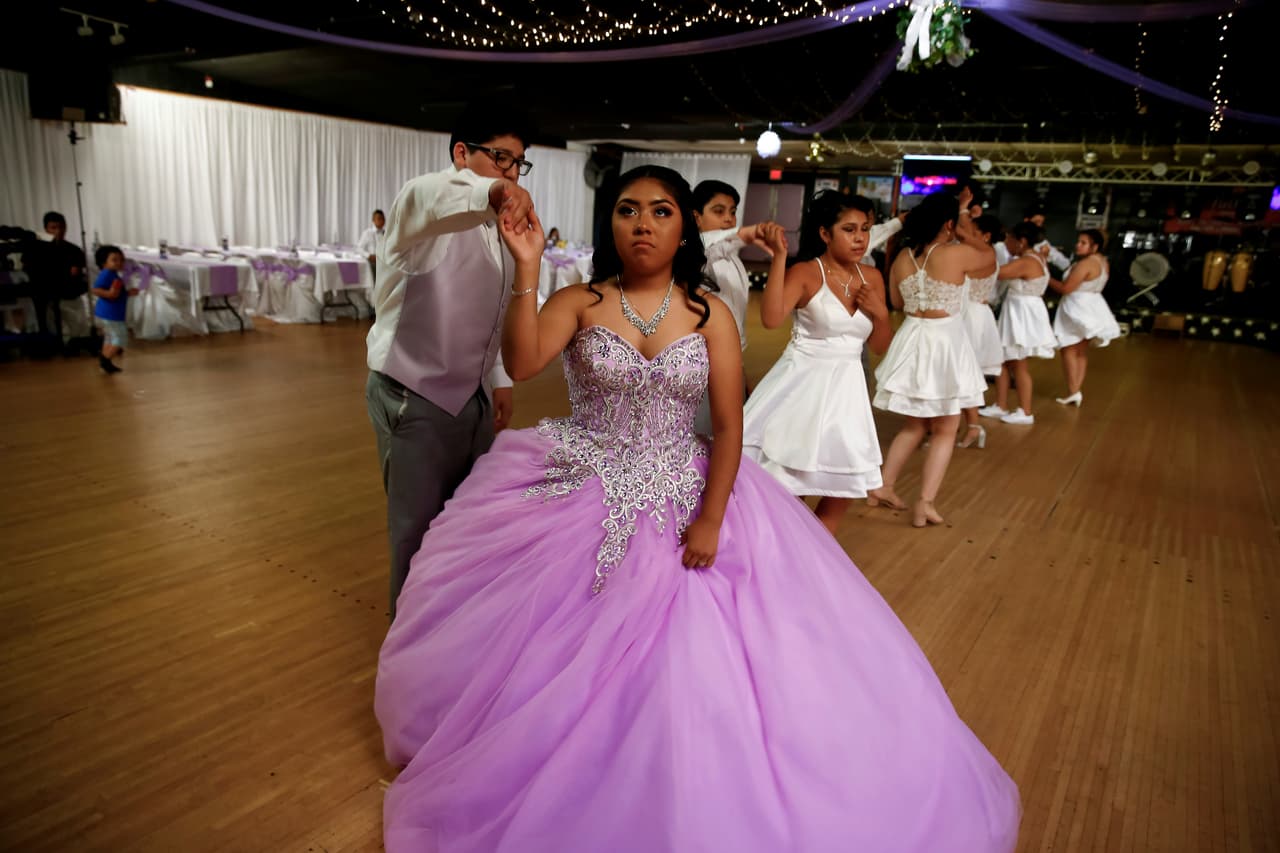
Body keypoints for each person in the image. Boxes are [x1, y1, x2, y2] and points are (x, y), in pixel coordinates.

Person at [375, 165, 1020, 853]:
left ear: (683, 226)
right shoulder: (581, 300)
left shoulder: (709, 313)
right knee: (563, 636)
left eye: (660, 211)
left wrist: (711, 517)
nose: (642, 224)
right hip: (583, 476)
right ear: (611, 223)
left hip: (684, 481)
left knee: (698, 651)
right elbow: (524, 359)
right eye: (627, 210)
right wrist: (527, 266)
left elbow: (730, 425)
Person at [364, 100, 533, 620]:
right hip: (413, 393)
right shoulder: (423, 205)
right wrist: (495, 191)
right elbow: (431, 197)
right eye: (500, 157)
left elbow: (496, 307)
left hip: (472, 395)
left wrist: (499, 378)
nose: (510, 172)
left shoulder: (499, 226)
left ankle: (448, 634)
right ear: (461, 153)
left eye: (518, 162)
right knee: (415, 532)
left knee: (462, 526)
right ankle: (408, 643)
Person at [742, 191, 892, 534]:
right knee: (789, 492)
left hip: (847, 395)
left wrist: (881, 314)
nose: (860, 238)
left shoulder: (872, 277)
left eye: (865, 229)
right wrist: (780, 258)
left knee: (841, 491)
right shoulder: (806, 272)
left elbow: (879, 345)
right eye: (849, 230)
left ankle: (813, 559)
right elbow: (771, 319)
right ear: (825, 233)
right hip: (802, 391)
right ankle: (778, 556)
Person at [869, 191, 989, 527]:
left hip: (913, 336)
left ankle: (883, 485)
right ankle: (925, 504)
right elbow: (989, 259)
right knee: (946, 428)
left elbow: (896, 302)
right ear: (949, 224)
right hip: (944, 339)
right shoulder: (956, 252)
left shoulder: (902, 257)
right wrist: (963, 221)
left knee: (915, 424)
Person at [979, 222, 1058, 425]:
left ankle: (1025, 411)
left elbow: (994, 272)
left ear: (1021, 241)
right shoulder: (1036, 257)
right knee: (1004, 361)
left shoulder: (1027, 261)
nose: (1006, 244)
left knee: (1019, 364)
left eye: (1009, 240)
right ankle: (1001, 405)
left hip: (1022, 314)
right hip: (1020, 310)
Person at [1050, 229, 1120, 406]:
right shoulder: (1102, 262)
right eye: (1078, 241)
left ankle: (1073, 390)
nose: (1078, 245)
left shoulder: (1086, 264)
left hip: (1077, 307)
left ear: (1094, 246)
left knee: (1068, 349)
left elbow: (1066, 288)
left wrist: (1045, 277)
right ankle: (1075, 391)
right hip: (1093, 305)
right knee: (1080, 351)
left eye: (1083, 243)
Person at [955, 210, 1006, 450]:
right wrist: (964, 209)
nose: (967, 235)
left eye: (973, 232)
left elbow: (960, 233)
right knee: (962, 373)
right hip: (974, 314)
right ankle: (967, 426)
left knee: (964, 373)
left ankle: (966, 426)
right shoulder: (980, 255)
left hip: (971, 317)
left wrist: (956, 217)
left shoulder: (986, 255)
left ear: (985, 236)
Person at [30, 211, 87, 344]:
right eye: (53, 228)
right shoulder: (36, 249)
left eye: (61, 227)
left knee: (76, 323)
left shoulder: (74, 250)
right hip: (45, 291)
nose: (58, 231)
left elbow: (76, 273)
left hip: (67, 291)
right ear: (46, 229)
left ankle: (73, 340)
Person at [90, 245, 137, 374]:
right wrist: (109, 294)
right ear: (103, 263)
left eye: (121, 260)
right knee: (120, 338)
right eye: (114, 260)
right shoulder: (106, 274)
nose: (119, 263)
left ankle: (106, 361)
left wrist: (127, 293)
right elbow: (96, 289)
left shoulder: (112, 274)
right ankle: (105, 360)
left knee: (110, 338)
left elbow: (116, 293)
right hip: (110, 314)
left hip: (111, 313)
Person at [357, 209, 386, 275]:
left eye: (383, 218)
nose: (381, 221)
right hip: (372, 263)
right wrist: (369, 256)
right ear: (373, 220)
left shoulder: (387, 233)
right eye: (379, 218)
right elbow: (358, 248)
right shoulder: (367, 233)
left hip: (384, 263)